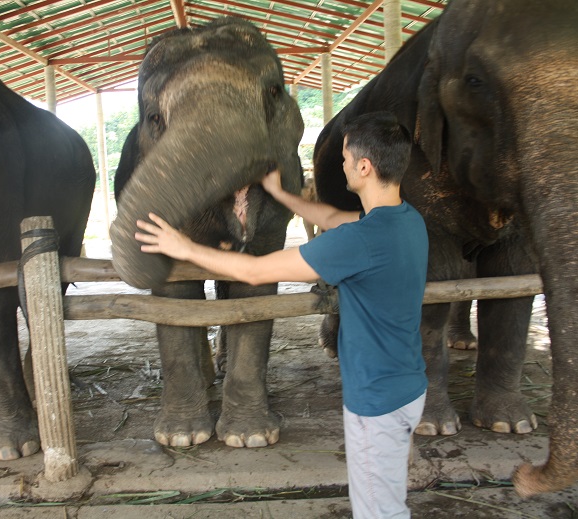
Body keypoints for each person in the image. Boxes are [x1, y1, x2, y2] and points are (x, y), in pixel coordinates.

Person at [135, 111, 428, 519]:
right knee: (388, 490)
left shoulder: (358, 242)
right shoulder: (406, 220)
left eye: (344, 157)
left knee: (380, 509)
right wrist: (281, 193)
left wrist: (184, 248)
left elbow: (255, 271)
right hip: (410, 387)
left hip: (376, 399)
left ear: (364, 167)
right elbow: (328, 218)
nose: (340, 164)